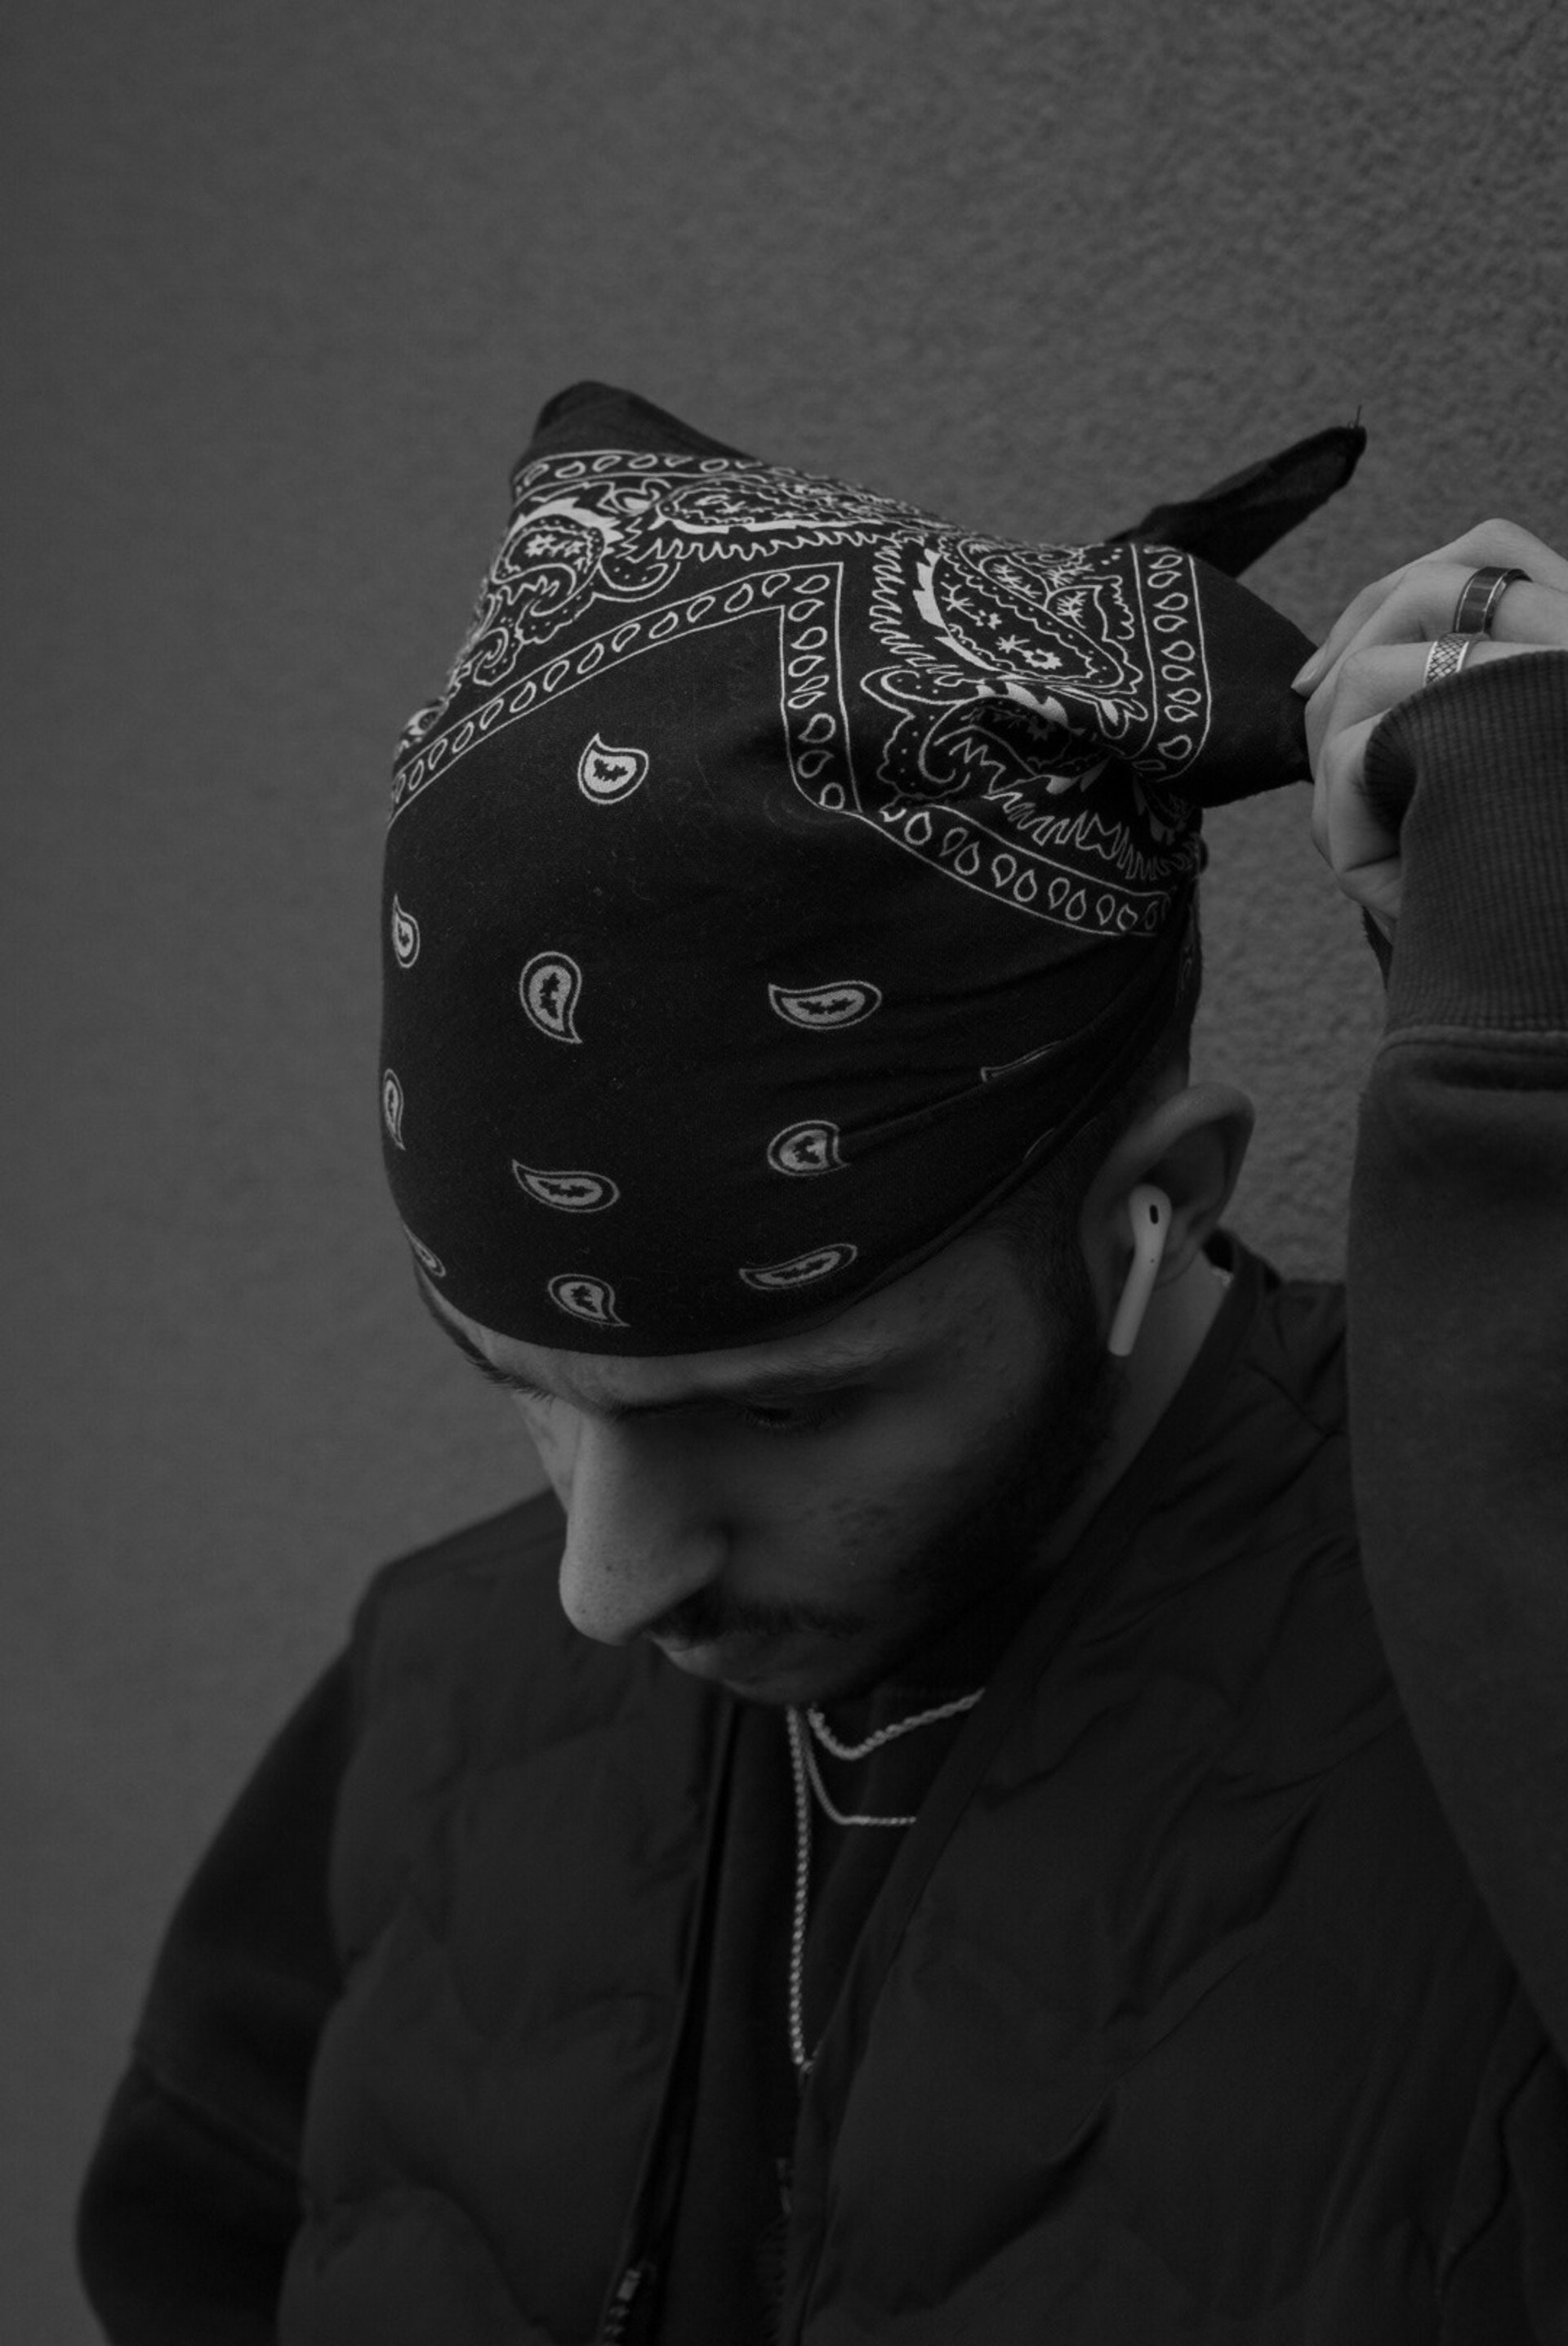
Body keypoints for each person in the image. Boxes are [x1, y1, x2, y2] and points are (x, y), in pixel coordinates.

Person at [76, 385, 1568, 2344]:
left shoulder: (1483, 1710)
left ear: (1157, 1209)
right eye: (519, 1382)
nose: (605, 1587)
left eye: (773, 1403)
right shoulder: (431, 1687)